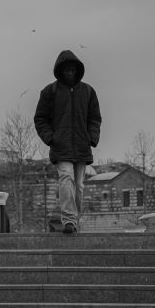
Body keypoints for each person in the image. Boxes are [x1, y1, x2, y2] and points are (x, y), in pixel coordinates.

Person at [34, 50, 102, 234]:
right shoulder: (50, 92)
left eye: (73, 70)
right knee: (66, 179)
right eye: (67, 70)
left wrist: (91, 137)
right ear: (61, 71)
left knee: (79, 186)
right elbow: (40, 119)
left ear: (77, 70)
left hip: (81, 145)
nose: (70, 73)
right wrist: (51, 138)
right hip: (61, 145)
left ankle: (73, 220)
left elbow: (95, 118)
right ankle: (69, 220)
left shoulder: (88, 91)